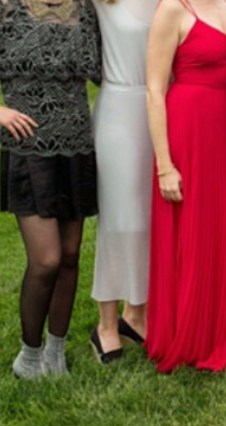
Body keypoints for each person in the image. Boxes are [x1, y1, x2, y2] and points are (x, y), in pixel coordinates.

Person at [145, 0, 226, 373]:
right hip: (188, 132)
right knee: (194, 232)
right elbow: (154, 90)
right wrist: (164, 165)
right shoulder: (173, 9)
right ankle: (193, 330)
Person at [0, 0, 101, 378]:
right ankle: (29, 356)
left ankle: (55, 353)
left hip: (76, 144)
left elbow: (107, 69)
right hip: (29, 147)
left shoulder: (84, 8)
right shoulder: (7, 8)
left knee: (71, 254)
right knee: (47, 260)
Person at [89, 0, 157, 364]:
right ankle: (105, 324)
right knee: (119, 222)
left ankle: (136, 314)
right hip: (119, 113)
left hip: (161, 111)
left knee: (148, 220)